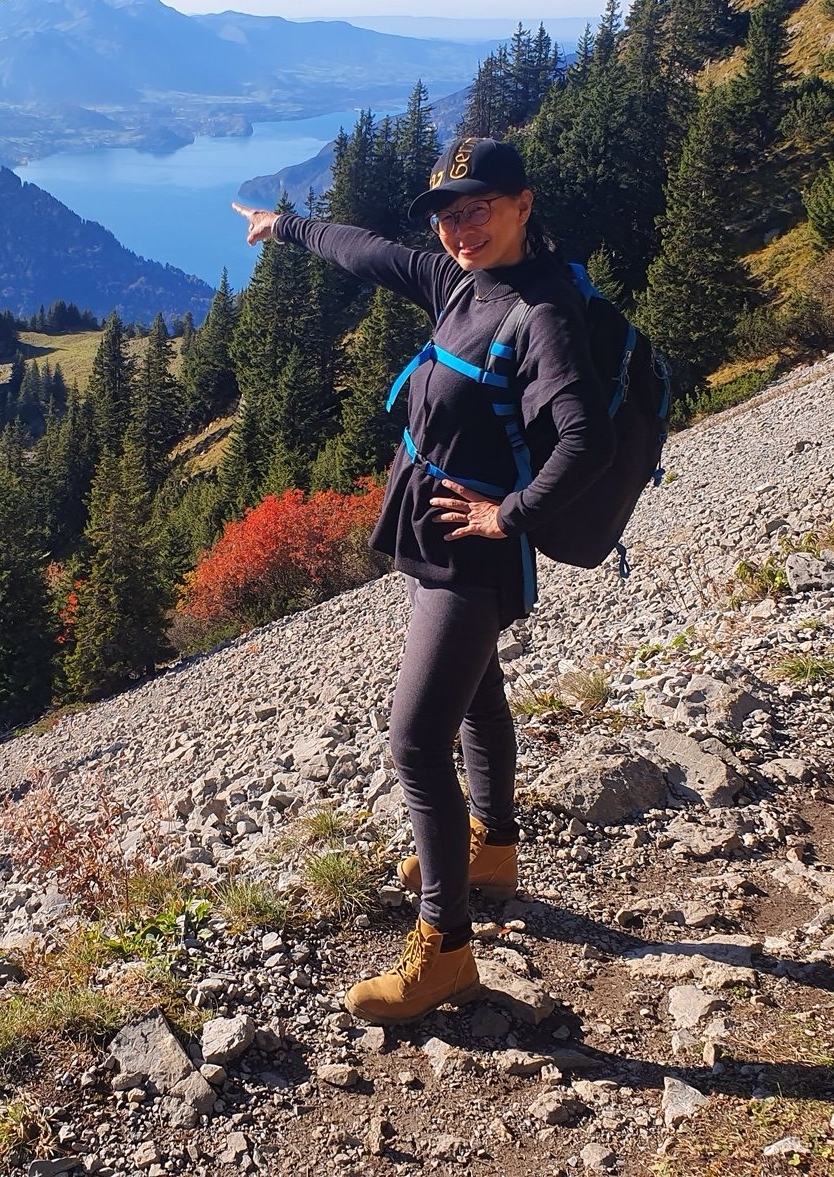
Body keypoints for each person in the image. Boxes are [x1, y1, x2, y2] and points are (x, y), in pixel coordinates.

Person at [232, 137, 612, 1023]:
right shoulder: (461, 283)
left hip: (470, 556)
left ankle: (445, 949)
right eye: (447, 212)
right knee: (477, 696)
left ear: (523, 202)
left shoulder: (542, 312)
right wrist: (283, 226)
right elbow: (366, 252)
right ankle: (493, 849)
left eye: (478, 206)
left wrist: (505, 515)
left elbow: (584, 436)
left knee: (412, 742)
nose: (458, 227)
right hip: (434, 533)